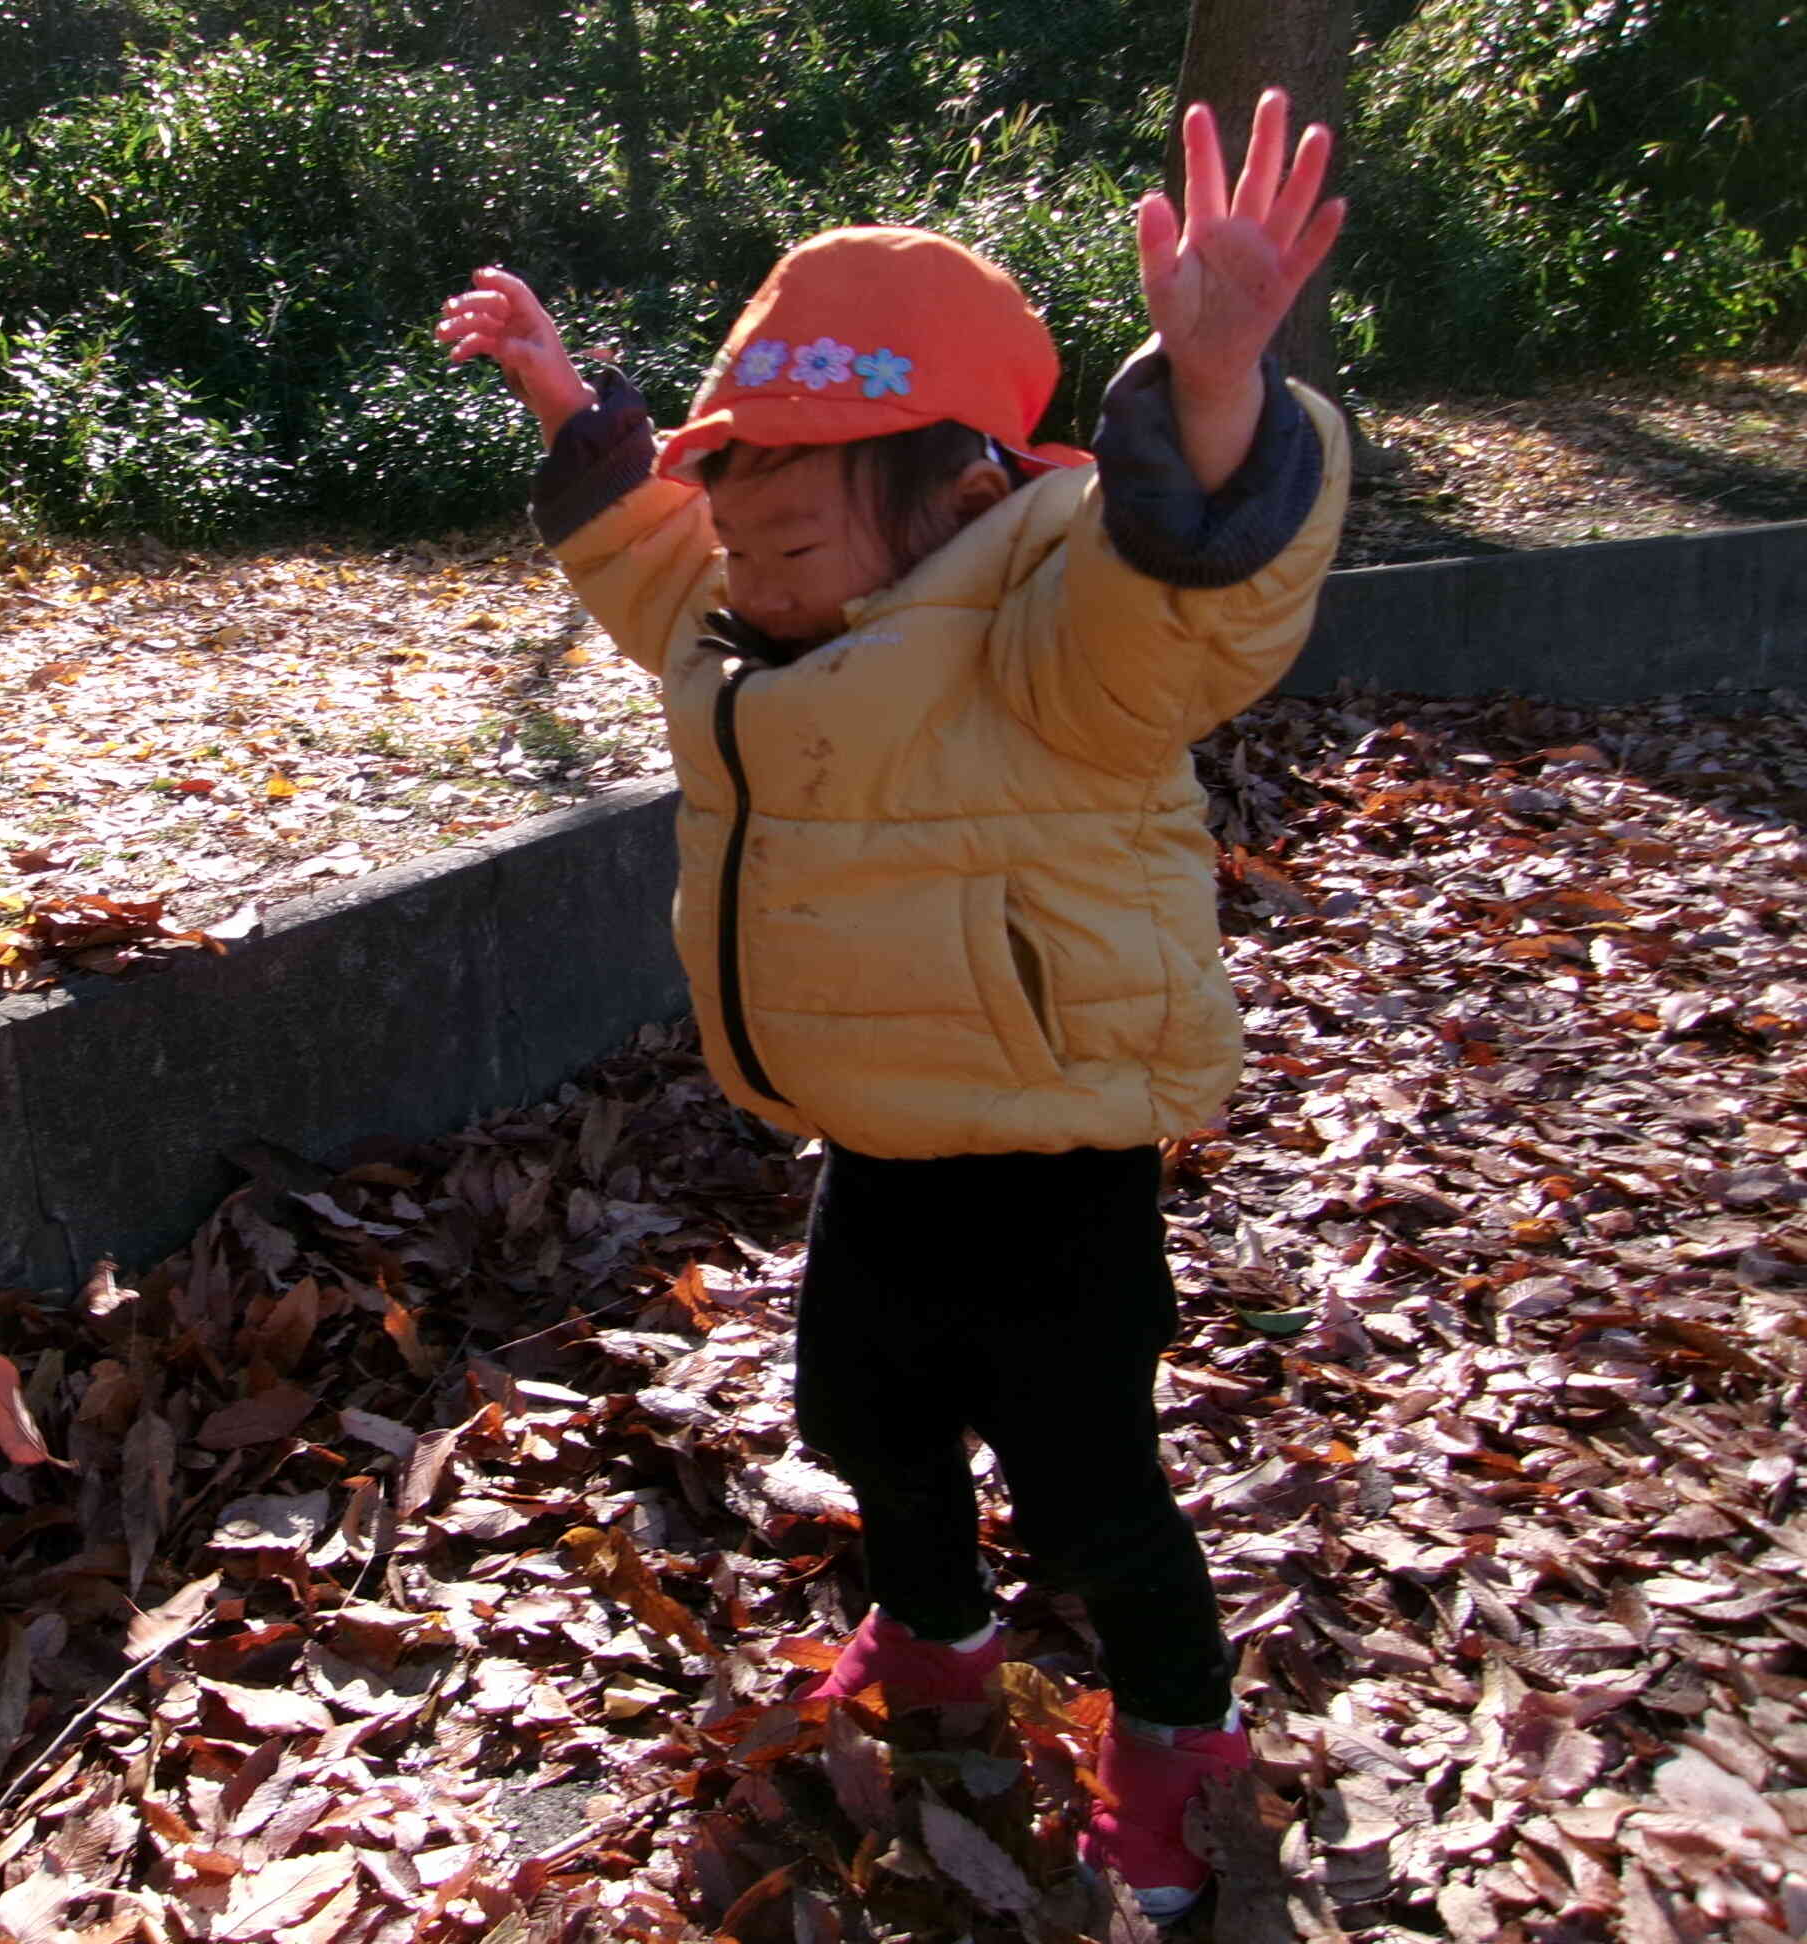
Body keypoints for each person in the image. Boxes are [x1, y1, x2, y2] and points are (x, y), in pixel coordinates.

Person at [435, 90, 1348, 1918]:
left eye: (793, 544)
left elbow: (1195, 602)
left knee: (1092, 1490)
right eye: (745, 540)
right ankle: (932, 1633)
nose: (752, 587)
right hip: (873, 1143)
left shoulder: (1060, 620)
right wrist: (570, 411)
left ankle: (1179, 1739)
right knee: (864, 1419)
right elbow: (654, 562)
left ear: (959, 498)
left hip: (1057, 1156)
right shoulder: (750, 618)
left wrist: (1220, 388)